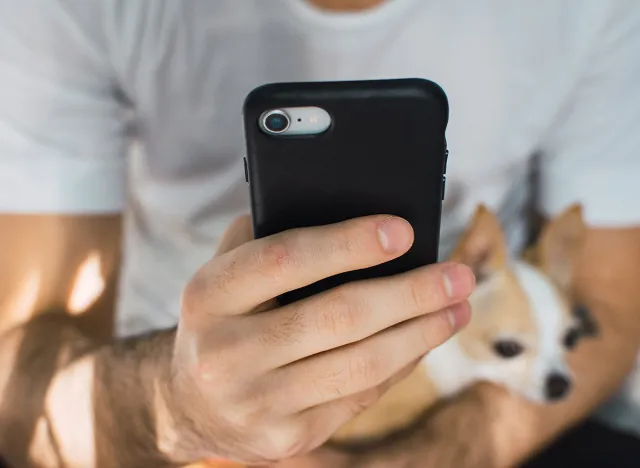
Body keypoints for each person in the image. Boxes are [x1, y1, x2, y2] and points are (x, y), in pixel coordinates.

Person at [1, 0, 639, 466]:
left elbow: (607, 300)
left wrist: (423, 458)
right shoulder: (69, 11)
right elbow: (15, 366)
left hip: (469, 409)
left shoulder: (593, 13)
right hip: (165, 415)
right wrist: (175, 411)